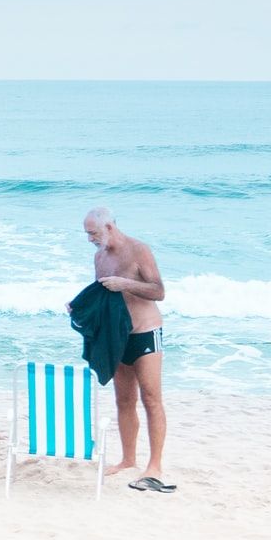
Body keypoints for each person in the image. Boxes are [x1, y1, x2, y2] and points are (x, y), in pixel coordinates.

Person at [83, 207, 173, 492]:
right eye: (87, 234)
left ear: (109, 226)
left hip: (146, 332)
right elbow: (101, 294)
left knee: (151, 398)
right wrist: (79, 306)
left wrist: (126, 284)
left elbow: (159, 291)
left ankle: (155, 464)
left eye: (93, 233)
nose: (90, 239)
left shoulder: (138, 250)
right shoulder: (99, 258)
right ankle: (128, 459)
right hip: (118, 335)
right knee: (124, 400)